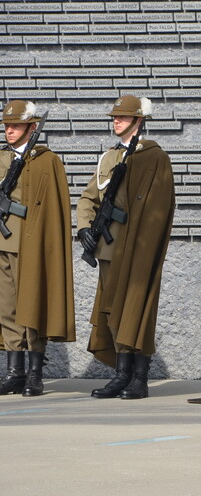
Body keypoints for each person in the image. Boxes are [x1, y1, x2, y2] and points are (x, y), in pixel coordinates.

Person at [76, 95, 174, 400]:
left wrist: (144, 248)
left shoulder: (155, 157)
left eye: (122, 117)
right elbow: (88, 198)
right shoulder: (109, 158)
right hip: (108, 247)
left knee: (137, 308)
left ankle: (139, 378)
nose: (116, 121)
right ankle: (121, 375)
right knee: (111, 310)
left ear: (139, 121)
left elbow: (160, 210)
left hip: (139, 249)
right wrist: (83, 228)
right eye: (114, 117)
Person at [0, 100, 76, 397]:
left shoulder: (47, 161)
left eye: (15, 126)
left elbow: (52, 209)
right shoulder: (1, 159)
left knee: (32, 308)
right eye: (6, 126)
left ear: (32, 128)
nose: (9, 130)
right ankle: (13, 372)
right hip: (3, 243)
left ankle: (34, 374)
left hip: (29, 243)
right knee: (7, 309)